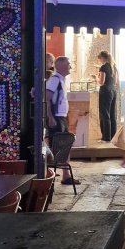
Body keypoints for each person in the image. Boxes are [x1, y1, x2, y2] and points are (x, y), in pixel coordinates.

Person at [46, 56, 80, 186]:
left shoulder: (60, 80)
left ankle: (65, 175)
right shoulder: (55, 80)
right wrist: (50, 117)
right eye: (68, 64)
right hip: (57, 118)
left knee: (65, 146)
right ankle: (60, 175)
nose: (70, 66)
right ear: (60, 66)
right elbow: (47, 98)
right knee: (61, 147)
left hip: (60, 117)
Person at [97, 50, 118, 142]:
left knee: (105, 115)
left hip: (105, 92)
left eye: (100, 59)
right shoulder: (114, 67)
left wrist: (96, 78)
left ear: (102, 58)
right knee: (112, 115)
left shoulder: (103, 67)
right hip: (113, 91)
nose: (100, 61)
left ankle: (106, 137)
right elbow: (116, 81)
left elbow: (101, 82)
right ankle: (113, 136)